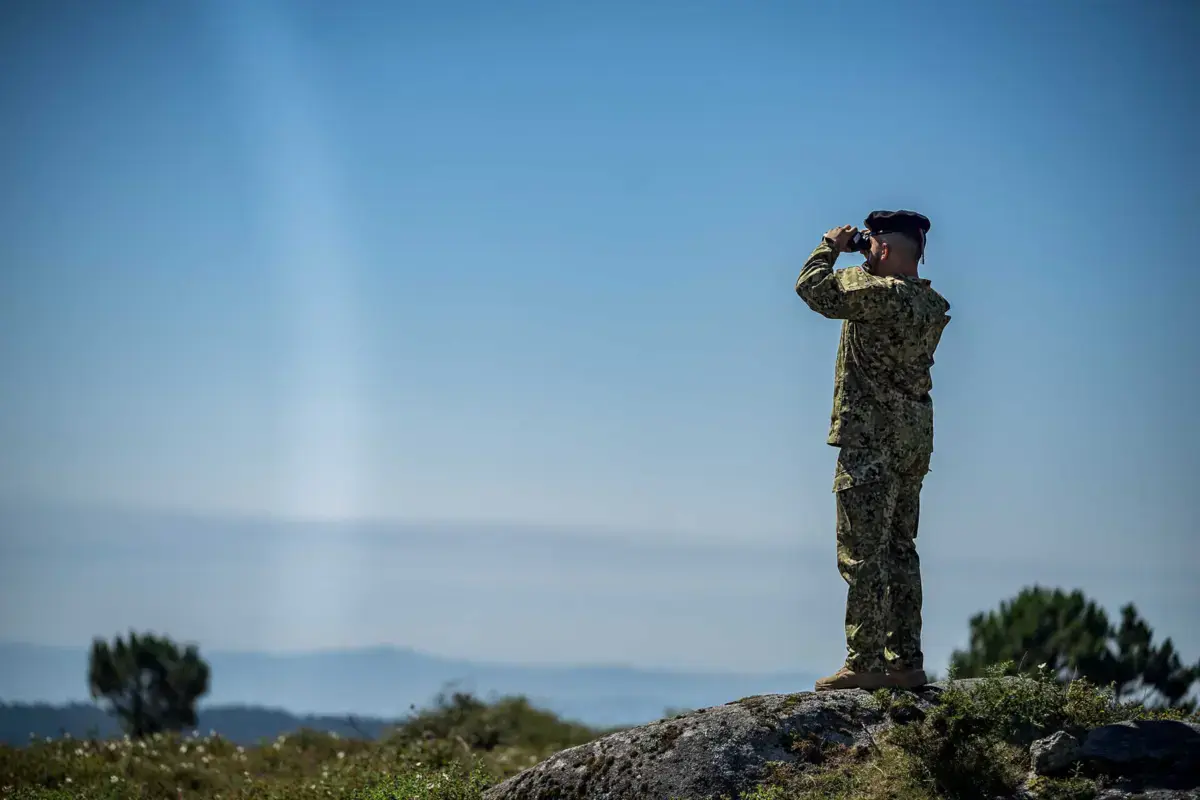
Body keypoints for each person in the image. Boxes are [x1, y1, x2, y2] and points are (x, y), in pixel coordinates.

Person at [793, 210, 951, 691]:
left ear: (882, 248)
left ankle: (863, 662)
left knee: (863, 554)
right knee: (902, 551)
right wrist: (870, 256)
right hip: (912, 440)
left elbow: (813, 289)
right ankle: (905, 661)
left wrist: (830, 244)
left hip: (871, 440)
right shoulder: (932, 304)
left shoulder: (878, 296)